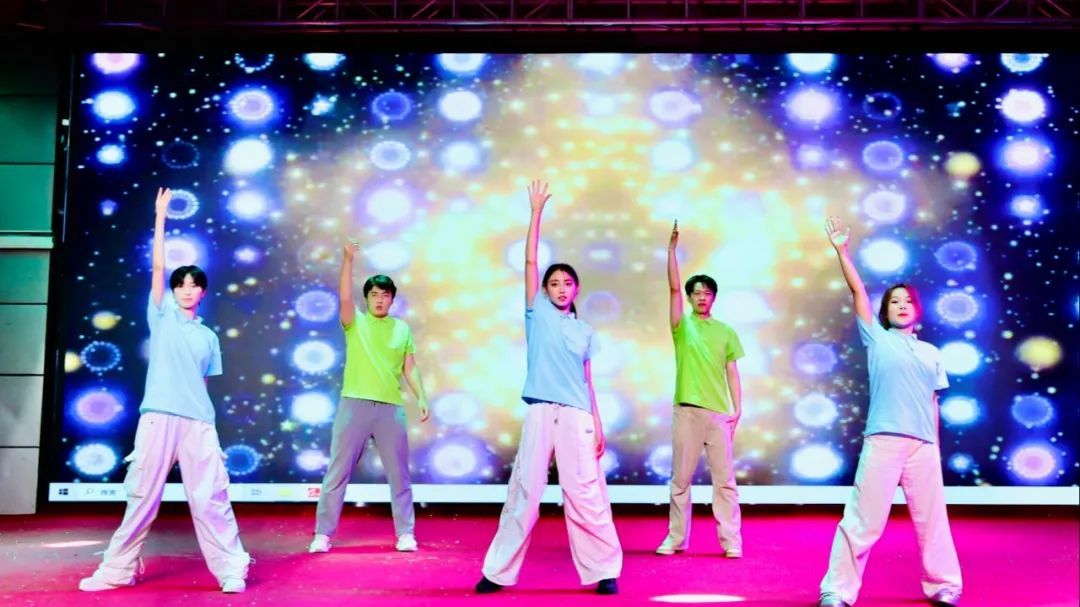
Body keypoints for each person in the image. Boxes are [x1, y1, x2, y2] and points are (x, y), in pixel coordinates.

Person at [79, 187, 250, 593]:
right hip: (157, 417)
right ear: (173, 291)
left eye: (194, 285)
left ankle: (232, 569)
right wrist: (160, 218)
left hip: (198, 423)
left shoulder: (209, 337)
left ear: (203, 291)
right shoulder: (162, 316)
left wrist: (206, 422)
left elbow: (203, 385)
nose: (187, 290)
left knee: (210, 499)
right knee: (142, 497)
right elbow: (157, 267)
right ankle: (117, 571)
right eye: (181, 284)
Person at [475, 180, 622, 595]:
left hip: (577, 416)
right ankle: (497, 572)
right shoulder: (537, 314)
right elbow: (528, 261)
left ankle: (604, 570)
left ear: (577, 290)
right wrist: (536, 213)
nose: (560, 288)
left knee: (585, 493)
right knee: (525, 490)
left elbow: (587, 381)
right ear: (545, 290)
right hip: (541, 410)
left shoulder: (585, 331)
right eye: (554, 283)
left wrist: (598, 422)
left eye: (567, 284)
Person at [817, 217, 963, 607]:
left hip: (923, 446)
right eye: (894, 301)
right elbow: (857, 291)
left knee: (932, 521)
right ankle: (837, 590)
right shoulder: (877, 340)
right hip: (883, 439)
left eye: (908, 301)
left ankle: (945, 585)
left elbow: (933, 402)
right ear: (884, 311)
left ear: (918, 310)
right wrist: (842, 251)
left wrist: (935, 448)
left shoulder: (931, 353)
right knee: (863, 520)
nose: (901, 305)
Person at [308, 238, 430, 553]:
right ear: (367, 298)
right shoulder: (355, 322)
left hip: (390, 408)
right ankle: (323, 534)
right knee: (337, 471)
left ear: (392, 299)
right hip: (354, 405)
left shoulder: (402, 329)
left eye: (385, 295)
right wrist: (348, 260)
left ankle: (406, 533)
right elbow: (344, 296)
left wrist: (421, 396)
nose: (379, 299)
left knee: (399, 474)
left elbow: (410, 367)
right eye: (374, 294)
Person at [656, 220, 746, 558]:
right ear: (690, 297)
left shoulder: (726, 331)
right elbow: (673, 290)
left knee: (725, 482)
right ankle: (676, 538)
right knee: (680, 479)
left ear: (714, 297)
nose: (701, 297)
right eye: (696, 293)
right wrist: (671, 251)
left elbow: (732, 372)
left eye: (707, 293)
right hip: (687, 411)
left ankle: (731, 541)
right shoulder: (683, 326)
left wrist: (737, 409)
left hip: (719, 414)